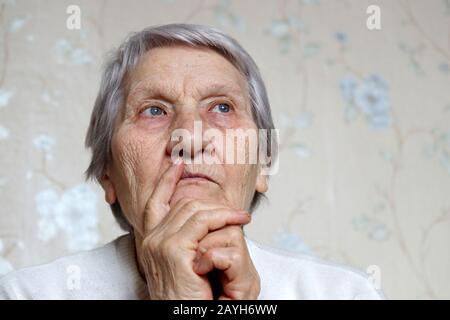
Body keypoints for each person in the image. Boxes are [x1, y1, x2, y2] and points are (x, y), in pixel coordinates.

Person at [0, 24, 383, 300]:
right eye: (153, 110)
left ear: (262, 164)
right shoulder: (26, 294)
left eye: (221, 107)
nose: (190, 137)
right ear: (107, 173)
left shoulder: (345, 294)